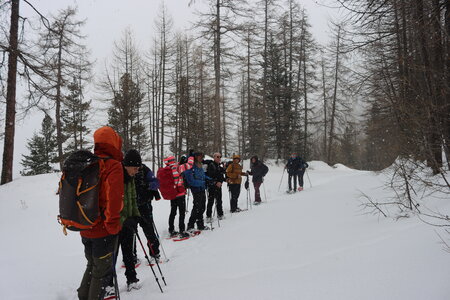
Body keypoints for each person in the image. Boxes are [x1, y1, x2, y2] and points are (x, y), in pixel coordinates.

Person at [77, 126, 124, 300]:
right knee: (100, 272)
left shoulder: (89, 163)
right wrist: (112, 226)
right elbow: (114, 199)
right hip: (102, 230)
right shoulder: (113, 166)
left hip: (84, 226)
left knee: (92, 265)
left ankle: (83, 296)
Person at [127, 149, 161, 261]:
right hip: (130, 207)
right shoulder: (124, 171)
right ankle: (131, 256)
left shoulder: (144, 169)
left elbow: (155, 182)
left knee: (149, 229)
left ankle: (154, 252)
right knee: (131, 232)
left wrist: (147, 185)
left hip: (144, 205)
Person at [163, 154, 194, 238]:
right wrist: (191, 157)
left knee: (173, 212)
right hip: (180, 193)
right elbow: (189, 165)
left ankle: (171, 230)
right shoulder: (178, 167)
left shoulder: (167, 169)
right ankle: (182, 230)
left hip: (172, 194)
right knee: (181, 212)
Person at [184, 152, 212, 231]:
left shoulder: (200, 165)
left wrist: (210, 179)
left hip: (202, 188)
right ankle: (190, 226)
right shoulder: (190, 166)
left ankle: (200, 225)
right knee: (197, 207)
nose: (201, 158)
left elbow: (203, 175)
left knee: (202, 207)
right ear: (195, 157)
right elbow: (190, 181)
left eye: (202, 156)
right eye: (199, 156)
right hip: (196, 189)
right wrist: (203, 182)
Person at [205, 152, 226, 222]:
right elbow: (209, 176)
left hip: (218, 186)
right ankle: (208, 216)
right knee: (211, 201)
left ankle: (220, 214)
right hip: (212, 186)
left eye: (220, 157)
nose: (219, 158)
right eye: (217, 157)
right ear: (214, 157)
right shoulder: (211, 165)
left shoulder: (218, 166)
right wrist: (216, 182)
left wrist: (224, 180)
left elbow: (221, 175)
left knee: (219, 200)